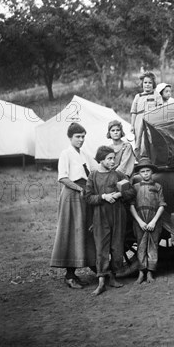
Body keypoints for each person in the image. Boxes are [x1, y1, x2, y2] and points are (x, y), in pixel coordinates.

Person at [50, 123, 97, 289]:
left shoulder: (84, 154)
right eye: (78, 136)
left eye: (83, 136)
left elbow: (96, 168)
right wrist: (79, 189)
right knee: (72, 231)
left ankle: (89, 268)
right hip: (72, 195)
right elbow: (62, 177)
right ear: (70, 137)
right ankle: (69, 276)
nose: (81, 140)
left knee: (84, 230)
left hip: (84, 195)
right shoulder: (66, 153)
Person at [84, 146, 135, 295]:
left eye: (114, 158)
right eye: (109, 159)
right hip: (101, 215)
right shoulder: (93, 176)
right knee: (101, 248)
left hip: (118, 214)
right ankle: (101, 280)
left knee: (117, 247)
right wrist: (103, 197)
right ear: (101, 159)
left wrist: (119, 194)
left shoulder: (118, 174)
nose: (113, 161)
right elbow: (88, 197)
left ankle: (113, 276)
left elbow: (131, 191)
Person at [129, 158, 167, 284]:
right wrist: (140, 221)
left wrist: (153, 221)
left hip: (153, 219)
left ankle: (150, 272)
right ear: (139, 174)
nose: (145, 173)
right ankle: (141, 273)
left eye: (148, 171)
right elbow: (131, 205)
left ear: (152, 172)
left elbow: (162, 205)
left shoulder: (157, 186)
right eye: (143, 171)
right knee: (141, 245)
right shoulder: (135, 187)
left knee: (153, 245)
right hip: (140, 219)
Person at [131, 71, 163, 159]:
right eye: (145, 82)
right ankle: (139, 159)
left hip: (151, 120)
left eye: (150, 83)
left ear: (153, 84)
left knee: (150, 140)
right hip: (139, 121)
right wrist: (132, 125)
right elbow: (134, 112)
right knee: (139, 141)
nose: (147, 85)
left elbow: (160, 109)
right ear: (142, 84)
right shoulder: (138, 96)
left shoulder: (156, 95)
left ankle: (152, 158)